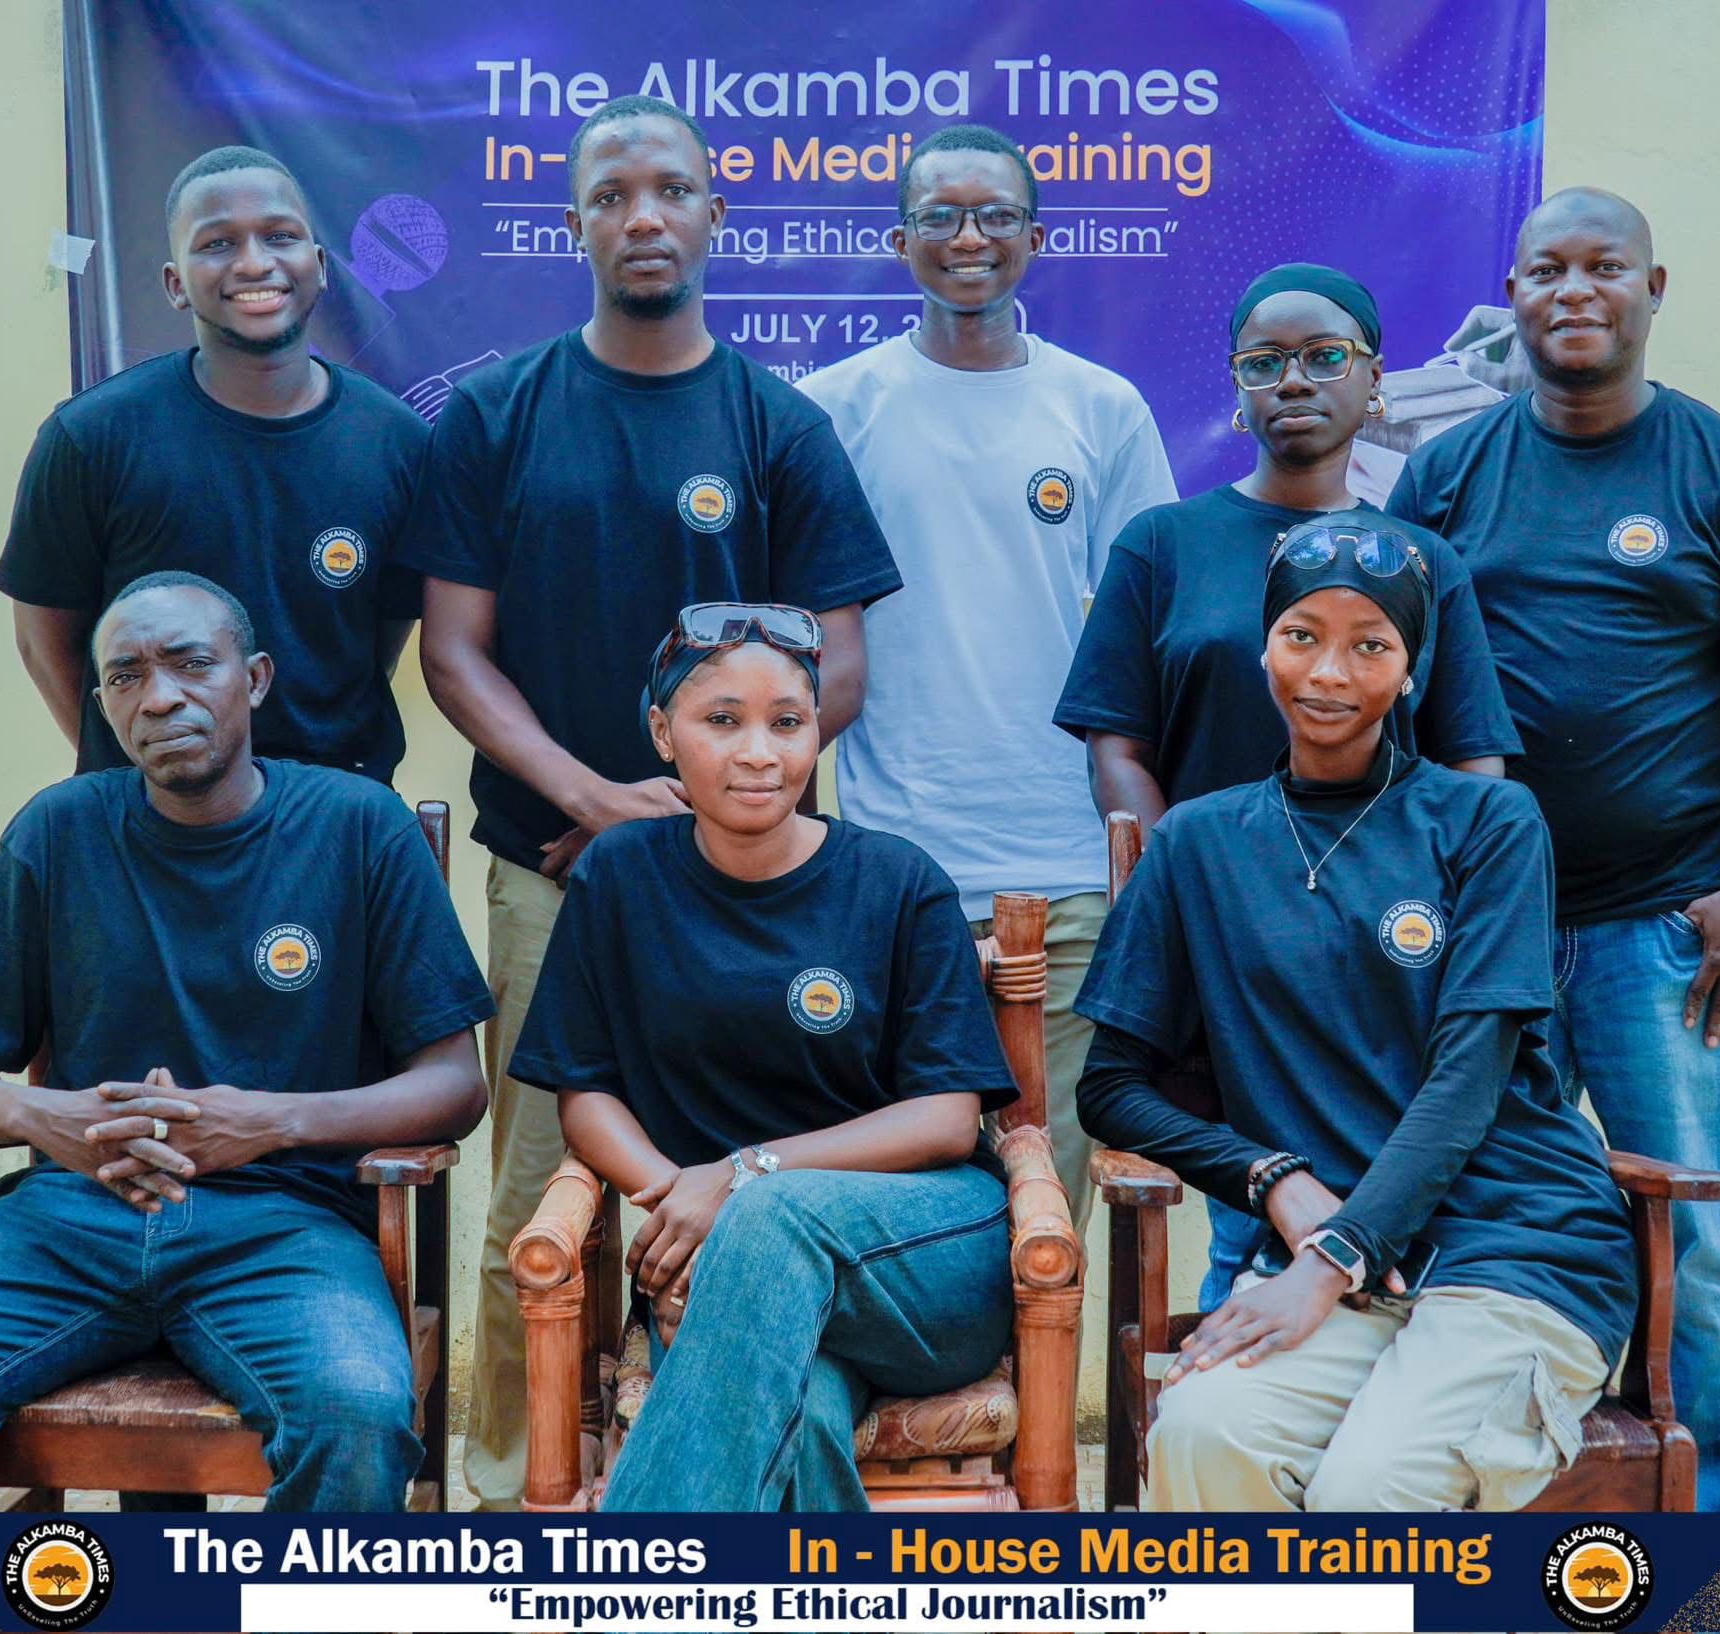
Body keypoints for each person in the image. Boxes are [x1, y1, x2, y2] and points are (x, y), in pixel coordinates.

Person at [398, 96, 901, 1510]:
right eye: (611, 195)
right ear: (573, 224)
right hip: (550, 868)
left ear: (712, 215)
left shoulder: (777, 423)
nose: (643, 217)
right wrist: (585, 797)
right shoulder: (497, 413)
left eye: (670, 190)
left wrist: (687, 812)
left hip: (752, 887)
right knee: (532, 1205)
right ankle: (512, 1490)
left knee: (753, 1185)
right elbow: (453, 651)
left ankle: (726, 1489)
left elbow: (837, 666)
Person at [0, 573, 493, 1513]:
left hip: (281, 1226)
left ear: (255, 679)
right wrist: (47, 1117)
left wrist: (269, 1123)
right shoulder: (59, 831)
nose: (159, 696)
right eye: (126, 676)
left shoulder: (357, 827)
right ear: (105, 706)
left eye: (191, 663)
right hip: (69, 1221)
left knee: (356, 1419)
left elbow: (455, 1085)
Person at [1387, 187, 1720, 1513]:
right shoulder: (1447, 475)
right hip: (1486, 934)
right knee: (1462, 1236)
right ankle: (1493, 1535)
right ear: (1511, 295)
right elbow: (1393, 686)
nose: (1573, 291)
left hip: (1668, 934)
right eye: (1546, 270)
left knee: (1708, 1256)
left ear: (1652, 287)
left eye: (1602, 268)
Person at [1073, 523, 1636, 1512]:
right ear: (1263, 651)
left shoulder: (1489, 822)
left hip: (1514, 1248)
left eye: (1370, 645)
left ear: (1411, 669)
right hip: (1331, 1260)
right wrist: (1271, 1177)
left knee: (1368, 1490)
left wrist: (1336, 1254)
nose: (1329, 672)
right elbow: (1110, 1088)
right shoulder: (1197, 842)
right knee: (1203, 1432)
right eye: (1301, 636)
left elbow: (1467, 1078)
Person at [1054, 264, 1522, 1309]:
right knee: (1247, 1215)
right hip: (1218, 946)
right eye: (1264, 362)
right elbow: (1116, 748)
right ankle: (1245, 1342)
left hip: (1386, 952)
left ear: (1373, 380)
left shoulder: (1419, 560)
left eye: (1323, 356)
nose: (1294, 379)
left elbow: (1471, 763)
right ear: (1236, 386)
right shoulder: (1162, 544)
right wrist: (1190, 894)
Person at [509, 605, 1016, 1511]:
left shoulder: (897, 880)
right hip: (719, 1265)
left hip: (925, 1259)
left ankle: (627, 1579)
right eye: (722, 720)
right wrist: (684, 1210)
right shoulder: (619, 875)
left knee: (770, 1219)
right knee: (805, 1415)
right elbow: (585, 1090)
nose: (759, 753)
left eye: (787, 722)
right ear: (662, 733)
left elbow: (947, 1121)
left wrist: (742, 1181)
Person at [798, 125, 1176, 1232]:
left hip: (1066, 876)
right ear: (899, 240)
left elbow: (1151, 637)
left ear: (1035, 238)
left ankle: (1049, 1366)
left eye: (996, 216)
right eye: (940, 217)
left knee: (1045, 1210)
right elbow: (794, 652)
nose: (969, 238)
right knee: (901, 1205)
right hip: (890, 873)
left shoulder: (1102, 408)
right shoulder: (833, 408)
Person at [0, 145, 425, 783]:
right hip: (152, 813)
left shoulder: (398, 442)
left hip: (335, 810)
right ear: (176, 284)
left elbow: (375, 642)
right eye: (217, 243)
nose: (254, 263)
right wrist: (144, 768)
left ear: (320, 266)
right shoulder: (91, 438)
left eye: (280, 236)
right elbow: (45, 642)